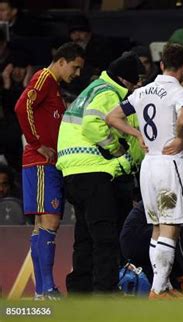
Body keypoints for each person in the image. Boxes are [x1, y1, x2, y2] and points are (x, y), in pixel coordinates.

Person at [106, 43, 183, 299]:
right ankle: (157, 290)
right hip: (169, 165)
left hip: (148, 167)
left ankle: (162, 286)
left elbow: (112, 116)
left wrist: (137, 134)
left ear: (162, 64)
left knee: (156, 226)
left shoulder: (142, 92)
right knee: (170, 225)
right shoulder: (180, 92)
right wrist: (181, 138)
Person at [57, 52, 144, 294]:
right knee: (105, 239)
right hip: (93, 171)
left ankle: (80, 293)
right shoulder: (108, 93)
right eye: (134, 82)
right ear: (124, 79)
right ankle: (105, 295)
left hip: (72, 172)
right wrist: (117, 151)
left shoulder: (92, 89)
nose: (135, 87)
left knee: (84, 237)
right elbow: (92, 125)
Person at [14, 42, 85, 300]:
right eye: (75, 67)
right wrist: (36, 143)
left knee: (41, 225)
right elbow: (22, 107)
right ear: (62, 61)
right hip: (41, 162)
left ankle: (41, 291)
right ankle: (47, 289)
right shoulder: (44, 77)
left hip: (44, 164)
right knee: (50, 221)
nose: (76, 74)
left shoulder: (53, 87)